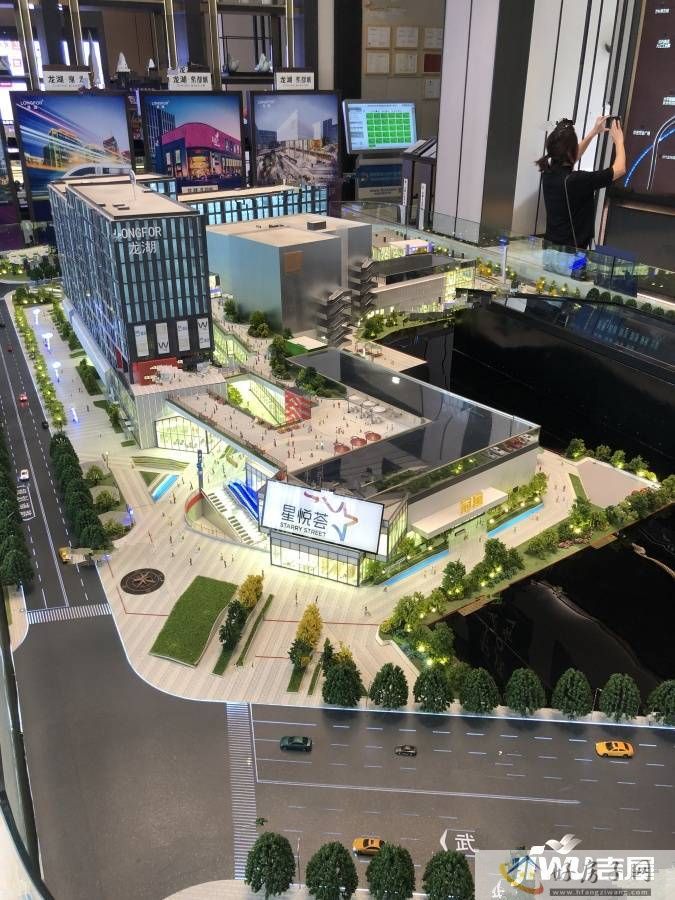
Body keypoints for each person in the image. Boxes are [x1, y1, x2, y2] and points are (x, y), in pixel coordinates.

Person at [537, 115, 626, 251]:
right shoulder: (576, 181)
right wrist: (619, 142)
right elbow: (620, 169)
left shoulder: (548, 173)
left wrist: (594, 132)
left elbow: (572, 156)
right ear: (569, 152)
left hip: (550, 249)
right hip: (570, 255)